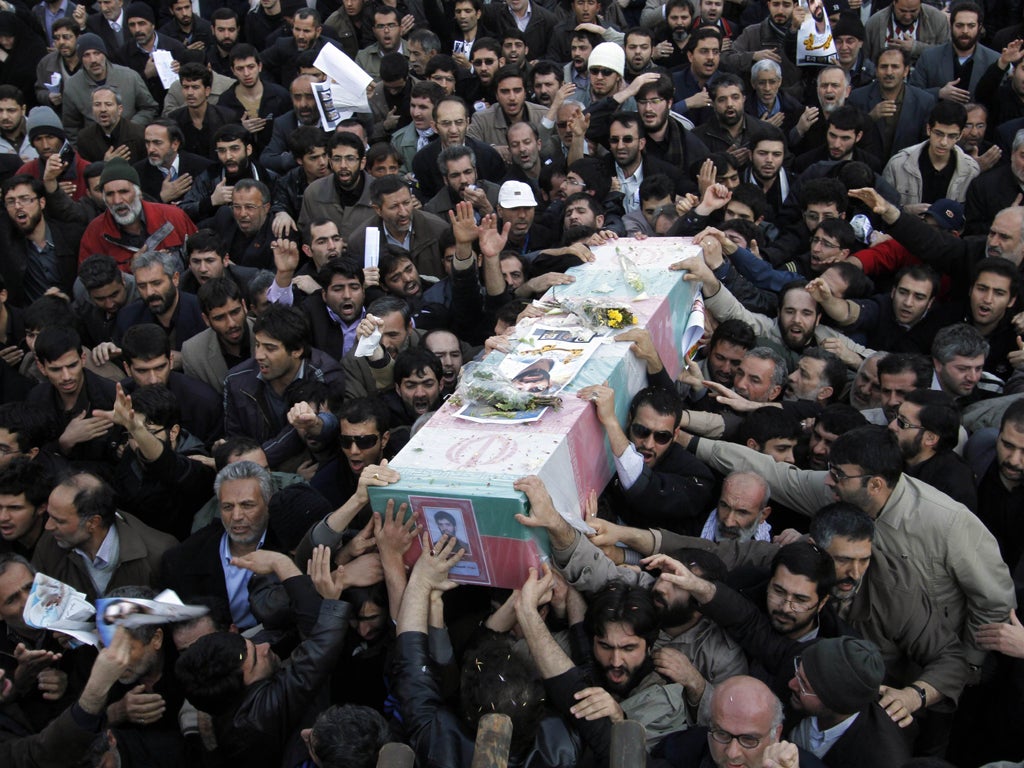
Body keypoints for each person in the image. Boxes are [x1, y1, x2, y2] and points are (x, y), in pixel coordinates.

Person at [577, 384, 715, 533]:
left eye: (662, 436)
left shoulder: (698, 479)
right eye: (641, 431)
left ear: (675, 435)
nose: (649, 444)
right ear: (629, 421)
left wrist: (610, 421)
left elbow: (642, 486)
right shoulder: (615, 447)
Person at [31, 470, 176, 601]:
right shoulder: (51, 543)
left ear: (93, 522)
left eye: (59, 521)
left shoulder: (157, 555)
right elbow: (37, 607)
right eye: (49, 516)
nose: (48, 526)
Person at [77, 159, 197, 273]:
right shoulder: (96, 232)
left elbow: (201, 255)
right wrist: (130, 267)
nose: (117, 200)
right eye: (110, 194)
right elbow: (87, 280)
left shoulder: (174, 217)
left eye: (124, 192)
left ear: (138, 193)